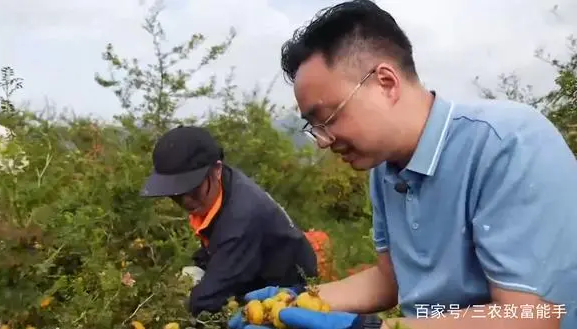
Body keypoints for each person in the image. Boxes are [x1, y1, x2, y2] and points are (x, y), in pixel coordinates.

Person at [228, 1, 577, 329]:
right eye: (314, 128)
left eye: (328, 118)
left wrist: (376, 327)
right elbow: (389, 278)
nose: (323, 140)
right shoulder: (385, 169)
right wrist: (299, 301)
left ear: (386, 83)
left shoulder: (507, 145)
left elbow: (532, 317)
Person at [139, 125, 318, 316]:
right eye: (175, 194)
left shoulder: (242, 218)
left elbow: (206, 301)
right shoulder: (223, 184)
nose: (185, 202)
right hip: (254, 266)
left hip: (290, 293)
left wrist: (172, 305)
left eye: (192, 190)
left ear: (216, 169)